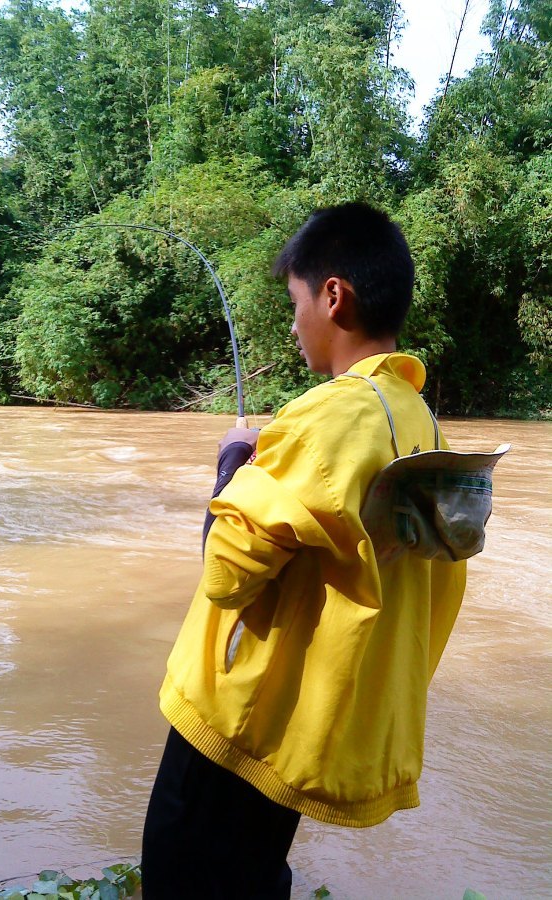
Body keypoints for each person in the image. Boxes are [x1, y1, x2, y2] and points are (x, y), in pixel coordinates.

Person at [141, 202, 467, 898]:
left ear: (333, 295)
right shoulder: (420, 420)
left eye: (295, 305)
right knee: (255, 874)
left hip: (242, 720)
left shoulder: (325, 415)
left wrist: (232, 467)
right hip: (303, 728)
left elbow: (226, 573)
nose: (293, 327)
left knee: (184, 874)